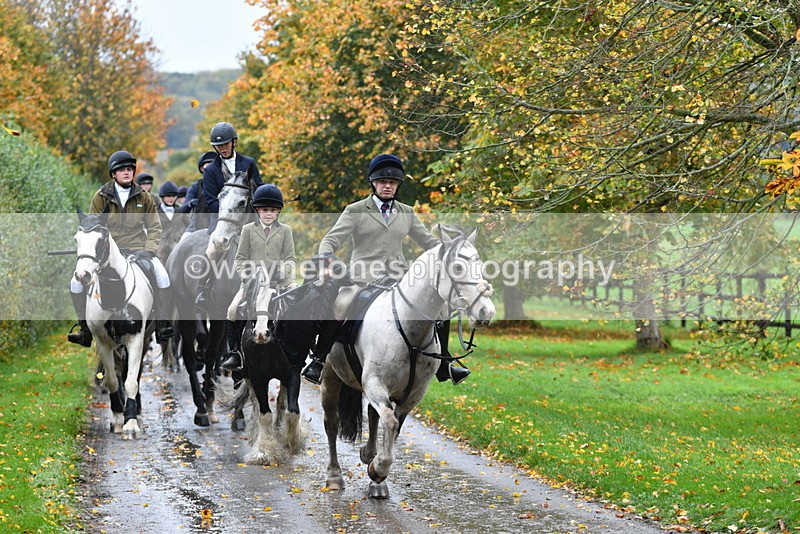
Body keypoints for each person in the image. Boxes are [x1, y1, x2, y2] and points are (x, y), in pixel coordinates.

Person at [300, 153, 469, 385]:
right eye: (382, 182)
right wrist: (326, 257)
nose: (387, 186)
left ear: (397, 185)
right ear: (373, 183)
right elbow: (331, 240)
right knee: (340, 306)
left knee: (442, 308)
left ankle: (445, 363)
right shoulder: (355, 210)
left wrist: (450, 250)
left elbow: (428, 242)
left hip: (399, 279)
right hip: (363, 278)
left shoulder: (407, 212)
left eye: (392, 183)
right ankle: (319, 360)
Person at [67, 150, 175, 346]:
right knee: (75, 282)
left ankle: (162, 323)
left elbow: (154, 227)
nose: (126, 172)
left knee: (163, 276)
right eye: (121, 170)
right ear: (113, 174)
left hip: (138, 249)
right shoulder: (101, 196)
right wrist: (97, 252)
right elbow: (93, 226)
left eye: (129, 169)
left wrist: (149, 250)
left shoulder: (144, 197)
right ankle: (84, 328)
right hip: (107, 253)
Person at [220, 184, 296, 371]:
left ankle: (300, 348)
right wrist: (248, 274)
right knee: (232, 310)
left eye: (272, 210)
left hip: (279, 282)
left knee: (299, 305)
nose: (268, 214)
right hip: (253, 283)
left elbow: (290, 258)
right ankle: (235, 353)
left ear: (278, 211)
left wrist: (283, 273)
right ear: (257, 211)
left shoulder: (285, 230)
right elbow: (240, 258)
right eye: (264, 210)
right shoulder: (247, 230)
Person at [195, 122, 263, 312]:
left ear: (234, 143)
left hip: (249, 217)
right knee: (212, 249)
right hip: (222, 220)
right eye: (218, 146)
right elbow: (210, 201)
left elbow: (258, 186)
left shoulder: (248, 163)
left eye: (225, 144)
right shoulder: (210, 171)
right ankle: (203, 287)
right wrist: (230, 213)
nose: (222, 148)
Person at [178, 151, 216, 239]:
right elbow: (182, 209)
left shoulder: (224, 185)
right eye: (207, 166)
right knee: (183, 240)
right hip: (196, 227)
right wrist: (190, 204)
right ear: (202, 168)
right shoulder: (195, 186)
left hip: (218, 227)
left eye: (213, 166)